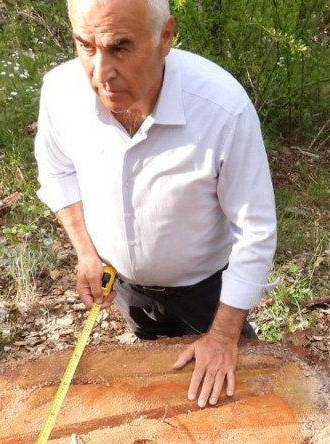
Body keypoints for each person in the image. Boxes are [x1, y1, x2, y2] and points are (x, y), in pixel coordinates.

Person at [34, 0, 277, 409]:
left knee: (243, 407)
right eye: (85, 46)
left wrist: (222, 337)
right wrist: (86, 253)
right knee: (162, 402)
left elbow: (255, 229)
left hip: (208, 294)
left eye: (120, 48)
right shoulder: (60, 92)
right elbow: (57, 172)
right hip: (126, 291)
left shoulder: (221, 108)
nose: (100, 74)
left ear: (165, 37)